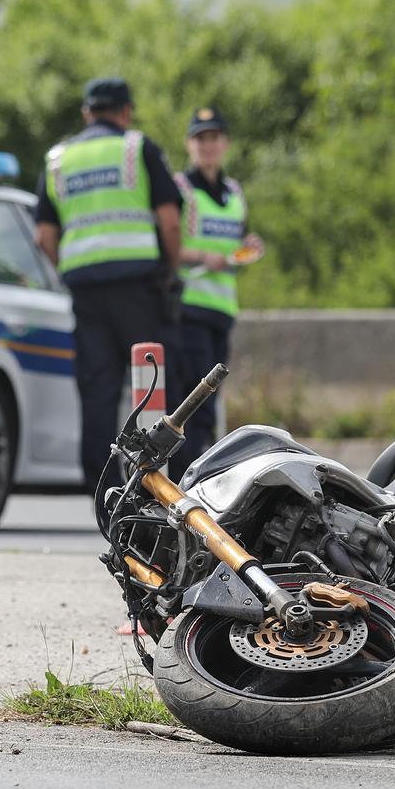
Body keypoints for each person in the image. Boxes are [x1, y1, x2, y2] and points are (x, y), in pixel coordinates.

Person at [35, 77, 185, 488]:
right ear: (125, 111)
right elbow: (170, 222)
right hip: (138, 286)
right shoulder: (137, 149)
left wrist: (70, 268)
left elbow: (44, 237)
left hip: (86, 290)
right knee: (150, 386)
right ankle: (157, 484)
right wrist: (171, 270)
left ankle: (102, 489)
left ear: (87, 113)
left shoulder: (59, 159)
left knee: (98, 390)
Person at [167, 106, 263, 477]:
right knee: (195, 404)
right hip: (189, 306)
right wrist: (204, 256)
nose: (207, 146)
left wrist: (249, 247)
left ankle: (195, 477)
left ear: (225, 143)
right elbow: (169, 249)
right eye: (200, 139)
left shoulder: (234, 191)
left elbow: (236, 243)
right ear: (190, 144)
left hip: (221, 309)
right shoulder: (182, 189)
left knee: (210, 401)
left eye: (214, 138)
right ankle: (185, 479)